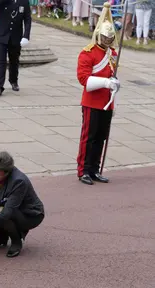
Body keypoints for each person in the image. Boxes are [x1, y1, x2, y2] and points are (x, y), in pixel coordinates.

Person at [76, 2, 120, 186]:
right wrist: (105, 82)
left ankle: (94, 168)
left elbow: (112, 74)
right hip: (92, 102)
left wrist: (114, 84)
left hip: (107, 102)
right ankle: (83, 170)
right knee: (89, 137)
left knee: (101, 137)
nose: (107, 41)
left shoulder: (112, 53)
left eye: (110, 38)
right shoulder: (88, 54)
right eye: (105, 37)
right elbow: (84, 80)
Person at [0, 0, 31, 97]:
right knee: (0, 61)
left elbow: (27, 19)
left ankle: (13, 80)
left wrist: (26, 36)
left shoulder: (24, 2)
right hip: (1, 35)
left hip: (15, 36)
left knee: (14, 60)